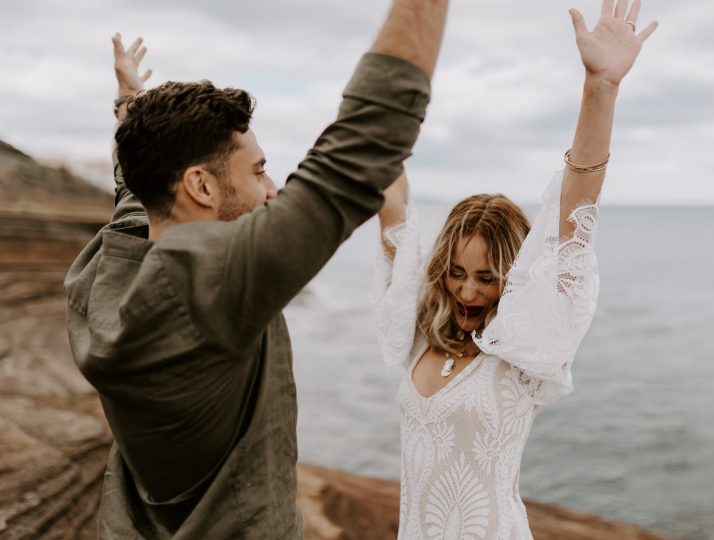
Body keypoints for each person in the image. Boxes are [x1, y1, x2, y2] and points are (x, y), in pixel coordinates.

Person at [64, 1, 449, 537]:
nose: (272, 190)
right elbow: (363, 145)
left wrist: (131, 106)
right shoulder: (205, 288)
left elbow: (136, 188)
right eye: (260, 170)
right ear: (200, 186)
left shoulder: (108, 270)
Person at [374, 1, 658, 537]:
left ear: (512, 280)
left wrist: (601, 86)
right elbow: (392, 209)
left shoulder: (524, 347)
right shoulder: (419, 328)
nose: (467, 290)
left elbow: (574, 217)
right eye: (456, 272)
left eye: (486, 278)